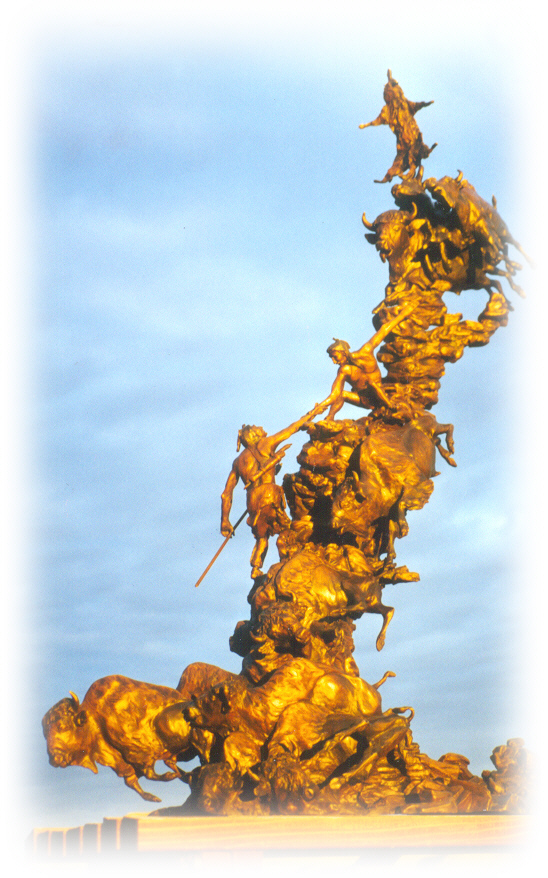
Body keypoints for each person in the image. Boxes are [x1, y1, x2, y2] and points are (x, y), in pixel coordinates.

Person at [221, 404, 325, 578]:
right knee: (286, 530)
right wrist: (313, 413)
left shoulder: (238, 461)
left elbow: (226, 494)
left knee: (262, 537)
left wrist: (225, 521)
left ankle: (255, 568)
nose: (262, 429)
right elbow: (292, 428)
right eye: (257, 428)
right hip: (269, 493)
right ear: (253, 435)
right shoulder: (266, 444)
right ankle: (289, 564)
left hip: (252, 500)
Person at [321, 303, 414, 419]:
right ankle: (329, 417)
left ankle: (390, 406)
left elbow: (383, 331)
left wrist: (404, 314)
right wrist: (320, 407)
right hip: (364, 401)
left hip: (380, 395)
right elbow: (335, 393)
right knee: (343, 394)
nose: (334, 362)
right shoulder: (344, 370)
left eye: (335, 357)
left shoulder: (365, 352)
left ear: (343, 352)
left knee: (371, 383)